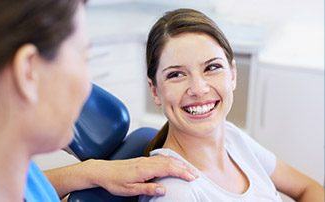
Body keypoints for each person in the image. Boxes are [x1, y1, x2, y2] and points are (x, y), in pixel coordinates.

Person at [0, 1, 198, 201]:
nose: (88, 87)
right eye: (83, 58)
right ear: (28, 72)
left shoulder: (15, 169)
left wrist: (90, 173)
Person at [139, 8, 324, 202]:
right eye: (176, 74)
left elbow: (308, 188)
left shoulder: (233, 138)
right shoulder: (177, 193)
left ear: (233, 74)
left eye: (212, 67)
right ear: (155, 91)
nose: (199, 89)